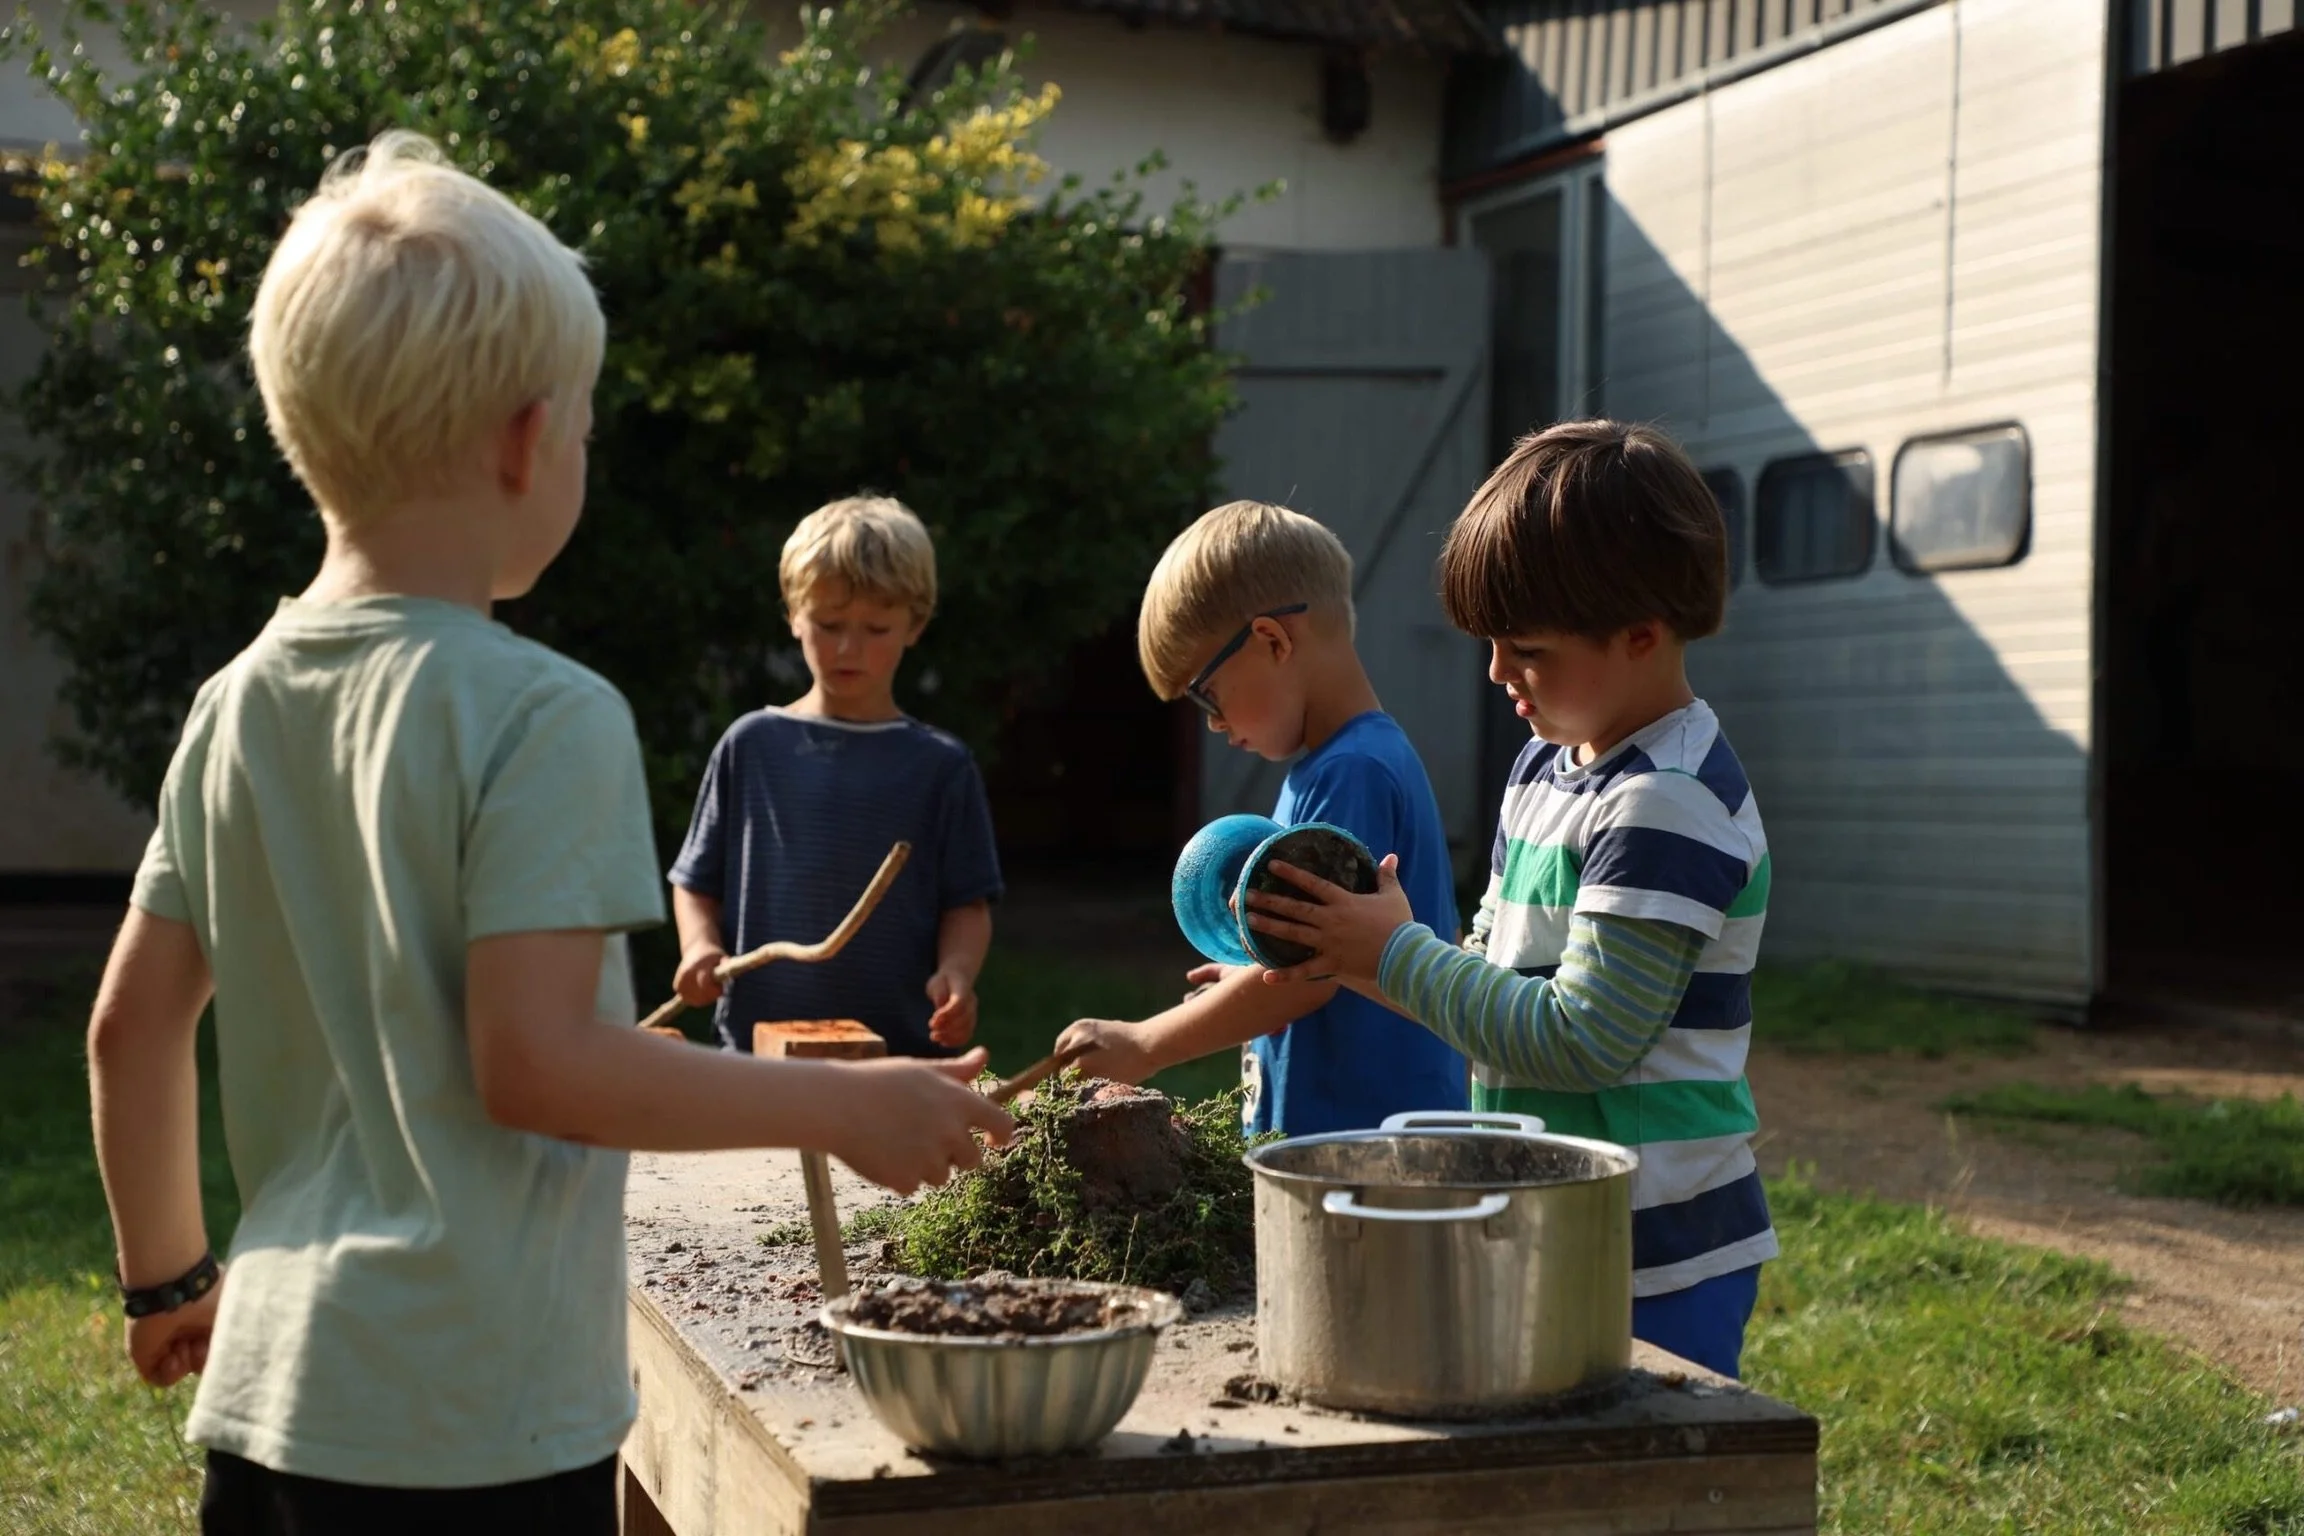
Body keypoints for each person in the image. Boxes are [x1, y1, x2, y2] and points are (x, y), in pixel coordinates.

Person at [85, 133, 1010, 1536]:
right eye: (582, 426)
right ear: (528, 438)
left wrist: (168, 1279)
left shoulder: (236, 704)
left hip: (273, 1400)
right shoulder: (546, 712)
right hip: (476, 1431)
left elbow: (130, 1031)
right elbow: (541, 1067)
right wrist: (852, 1100)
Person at [1242, 421, 1776, 1380]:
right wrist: (1346, 955)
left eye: (1525, 648)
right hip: (1556, 1223)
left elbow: (1581, 1041)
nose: (1496, 673)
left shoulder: (1667, 804)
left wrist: (1391, 953)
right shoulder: (1548, 767)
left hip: (1653, 1257)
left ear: (1642, 636)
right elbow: (1488, 973)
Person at [1057, 500, 1467, 1135]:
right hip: (1344, 1140)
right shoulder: (1326, 768)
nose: (1215, 724)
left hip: (1373, 1148)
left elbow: (1311, 979)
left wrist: (1145, 1042)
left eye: (1207, 694)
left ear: (1273, 641)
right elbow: (1307, 959)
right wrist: (1253, 969)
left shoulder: (1352, 772)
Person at [666, 495, 1002, 1057]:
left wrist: (957, 975)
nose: (849, 648)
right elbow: (696, 881)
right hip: (755, 1059)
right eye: (828, 624)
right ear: (793, 615)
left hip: (897, 1058)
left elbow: (967, 903)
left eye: (875, 628)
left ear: (914, 625)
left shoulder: (941, 766)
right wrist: (699, 946)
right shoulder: (750, 745)